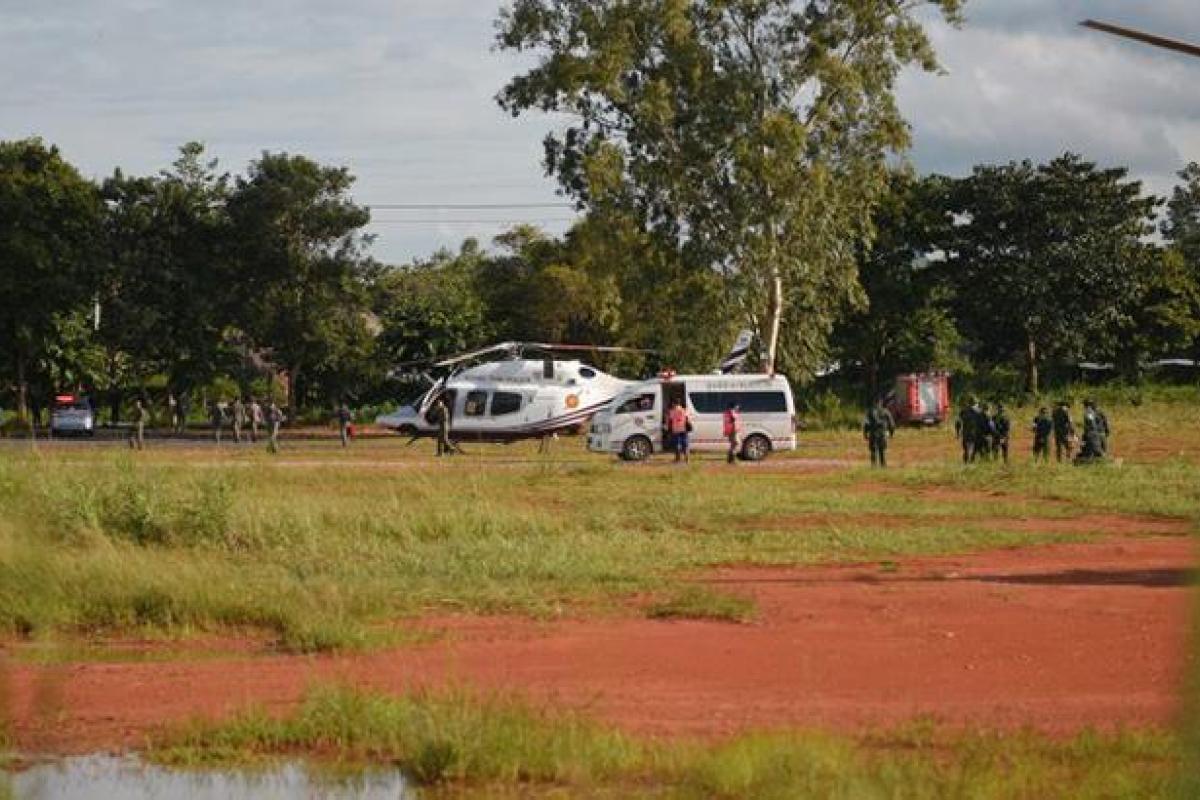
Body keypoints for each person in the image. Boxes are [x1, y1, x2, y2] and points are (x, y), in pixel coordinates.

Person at [863, 401, 896, 468]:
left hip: (873, 433)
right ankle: (883, 465)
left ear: (874, 403)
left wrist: (865, 434)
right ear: (881, 403)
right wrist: (891, 433)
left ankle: (873, 465)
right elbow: (892, 424)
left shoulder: (870, 412)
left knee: (873, 451)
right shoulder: (886, 412)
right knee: (882, 451)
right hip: (882, 433)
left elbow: (866, 424)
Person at [955, 399, 980, 463]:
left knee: (966, 449)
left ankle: (966, 462)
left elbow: (958, 422)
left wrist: (957, 433)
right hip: (974, 433)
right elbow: (981, 424)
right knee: (974, 448)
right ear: (974, 404)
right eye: (977, 404)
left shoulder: (963, 411)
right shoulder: (977, 412)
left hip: (965, 433)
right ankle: (971, 461)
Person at [666, 399, 691, 464]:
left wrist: (668, 429)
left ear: (674, 404)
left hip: (676, 430)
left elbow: (670, 421)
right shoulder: (684, 410)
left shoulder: (672, 411)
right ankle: (687, 460)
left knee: (677, 445)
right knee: (685, 445)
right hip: (684, 430)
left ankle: (677, 459)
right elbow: (688, 419)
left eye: (673, 404)